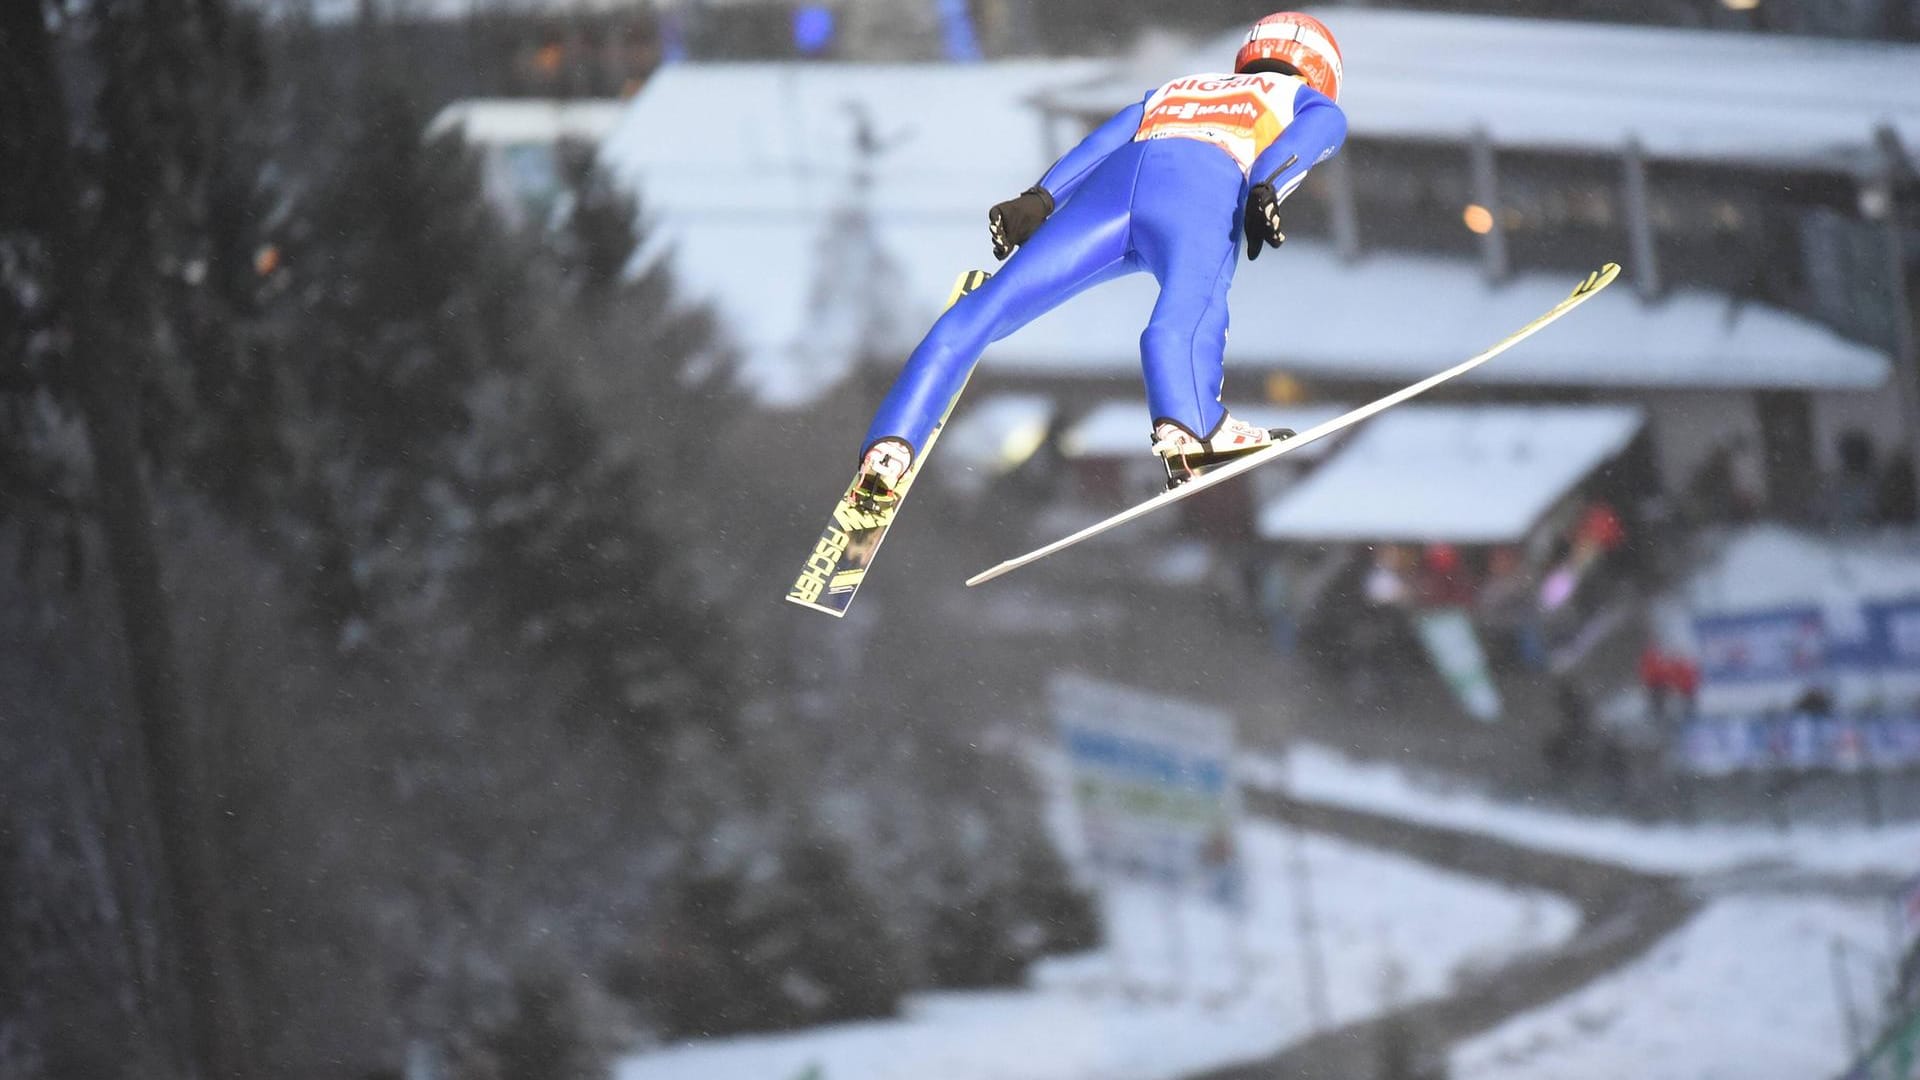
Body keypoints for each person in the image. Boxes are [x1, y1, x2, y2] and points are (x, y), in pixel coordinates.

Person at [852, 12, 1349, 507]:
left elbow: (1107, 138)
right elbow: (1302, 142)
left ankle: (891, 442)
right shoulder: (1303, 99)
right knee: (1189, 304)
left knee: (991, 305)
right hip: (1204, 182)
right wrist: (1267, 190)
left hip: (1116, 183)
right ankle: (1190, 427)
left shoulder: (1181, 86)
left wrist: (1041, 198)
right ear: (1321, 72)